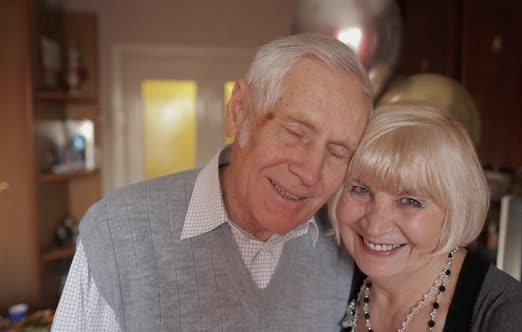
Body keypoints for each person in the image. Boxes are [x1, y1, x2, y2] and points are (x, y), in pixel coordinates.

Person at [52, 33, 373, 331]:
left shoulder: (345, 252)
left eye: (337, 153)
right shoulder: (116, 231)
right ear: (239, 111)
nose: (310, 173)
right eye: (295, 133)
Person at [331, 102, 522, 331]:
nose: (374, 225)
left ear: (456, 210)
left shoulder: (513, 320)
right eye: (360, 190)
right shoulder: (329, 276)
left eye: (410, 201)